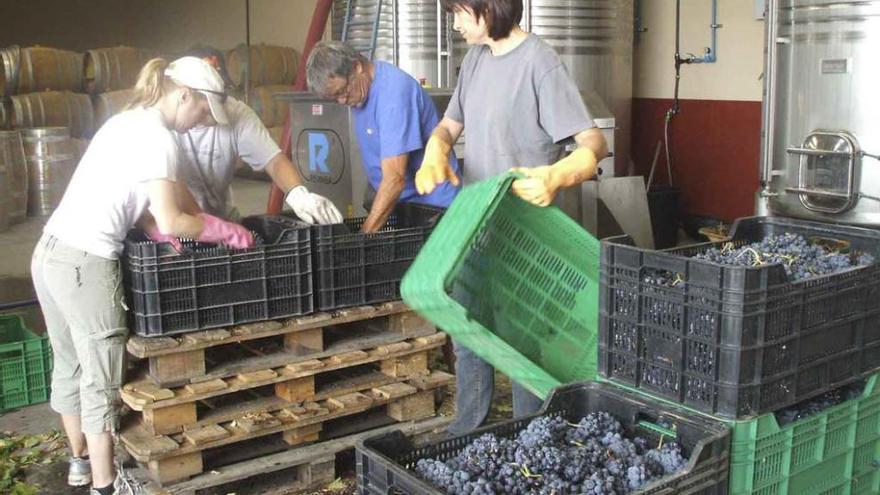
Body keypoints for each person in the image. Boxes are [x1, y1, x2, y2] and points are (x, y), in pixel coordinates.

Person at [31, 57, 254, 495]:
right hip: (85, 263)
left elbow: (139, 207)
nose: (203, 122)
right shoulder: (160, 138)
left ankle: (78, 464)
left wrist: (172, 226)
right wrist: (223, 230)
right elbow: (171, 219)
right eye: (204, 111)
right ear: (183, 94)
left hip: (49, 252)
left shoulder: (126, 121)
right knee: (101, 377)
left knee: (70, 365)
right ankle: (105, 485)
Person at [414, 0, 609, 435]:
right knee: (468, 334)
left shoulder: (540, 62)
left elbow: (594, 142)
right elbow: (450, 124)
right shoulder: (475, 61)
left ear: (490, 7)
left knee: (523, 345)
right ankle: (467, 432)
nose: (456, 21)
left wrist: (560, 173)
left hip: (525, 236)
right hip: (476, 225)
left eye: (461, 11)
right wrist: (437, 147)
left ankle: (528, 438)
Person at [165, 45, 342, 226]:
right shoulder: (159, 124)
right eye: (204, 110)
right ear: (184, 94)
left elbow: (273, 160)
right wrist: (204, 225)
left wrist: (299, 195)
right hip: (180, 225)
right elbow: (167, 188)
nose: (208, 117)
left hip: (221, 219)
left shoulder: (236, 113)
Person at [304, 41, 461, 232]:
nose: (342, 100)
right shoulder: (360, 91)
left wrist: (364, 236)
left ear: (357, 67)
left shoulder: (393, 95)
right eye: (334, 98)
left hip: (432, 209)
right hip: (400, 204)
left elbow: (394, 180)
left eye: (342, 92)